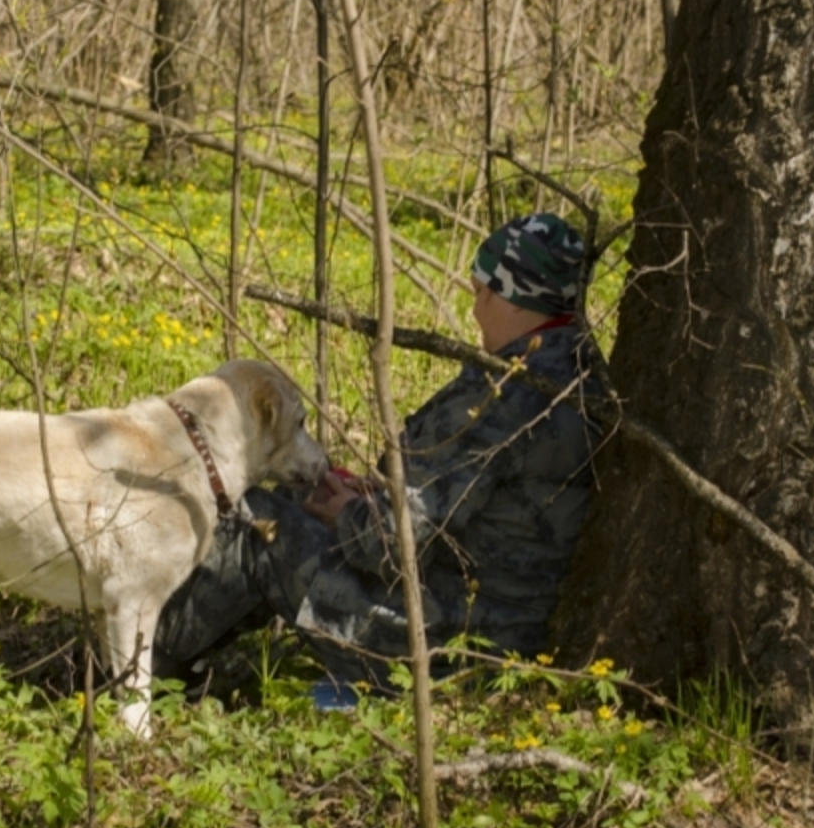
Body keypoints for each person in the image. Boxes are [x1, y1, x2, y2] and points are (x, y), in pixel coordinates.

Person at [154, 213, 604, 697]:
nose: (476, 310)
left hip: (444, 640)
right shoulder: (582, 373)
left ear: (510, 295)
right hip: (508, 633)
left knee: (255, 521)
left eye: (480, 293)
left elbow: (391, 546)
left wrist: (347, 514)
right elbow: (470, 510)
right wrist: (374, 498)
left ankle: (139, 666)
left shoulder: (501, 396)